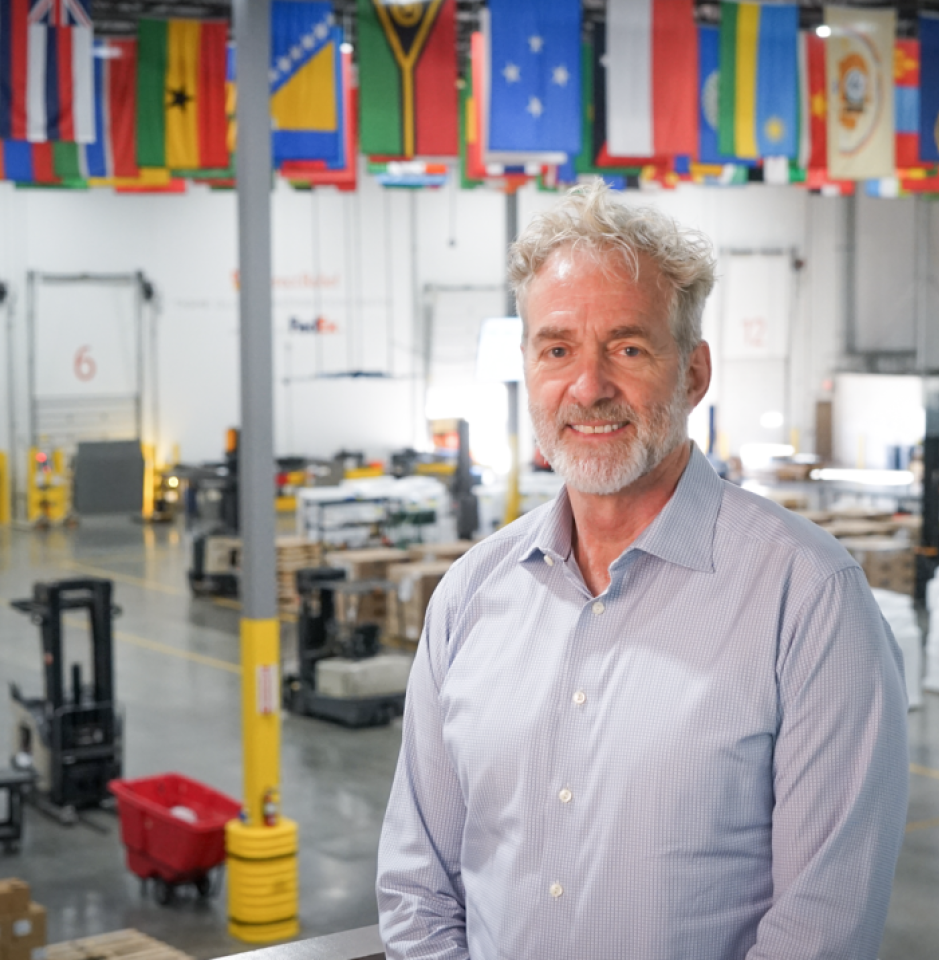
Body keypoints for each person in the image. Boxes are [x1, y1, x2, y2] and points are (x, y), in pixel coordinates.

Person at [376, 181, 909, 960]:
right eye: (557, 350)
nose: (589, 387)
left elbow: (819, 932)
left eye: (627, 348)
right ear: (528, 367)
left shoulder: (809, 601)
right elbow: (417, 887)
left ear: (693, 373)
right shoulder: (470, 598)